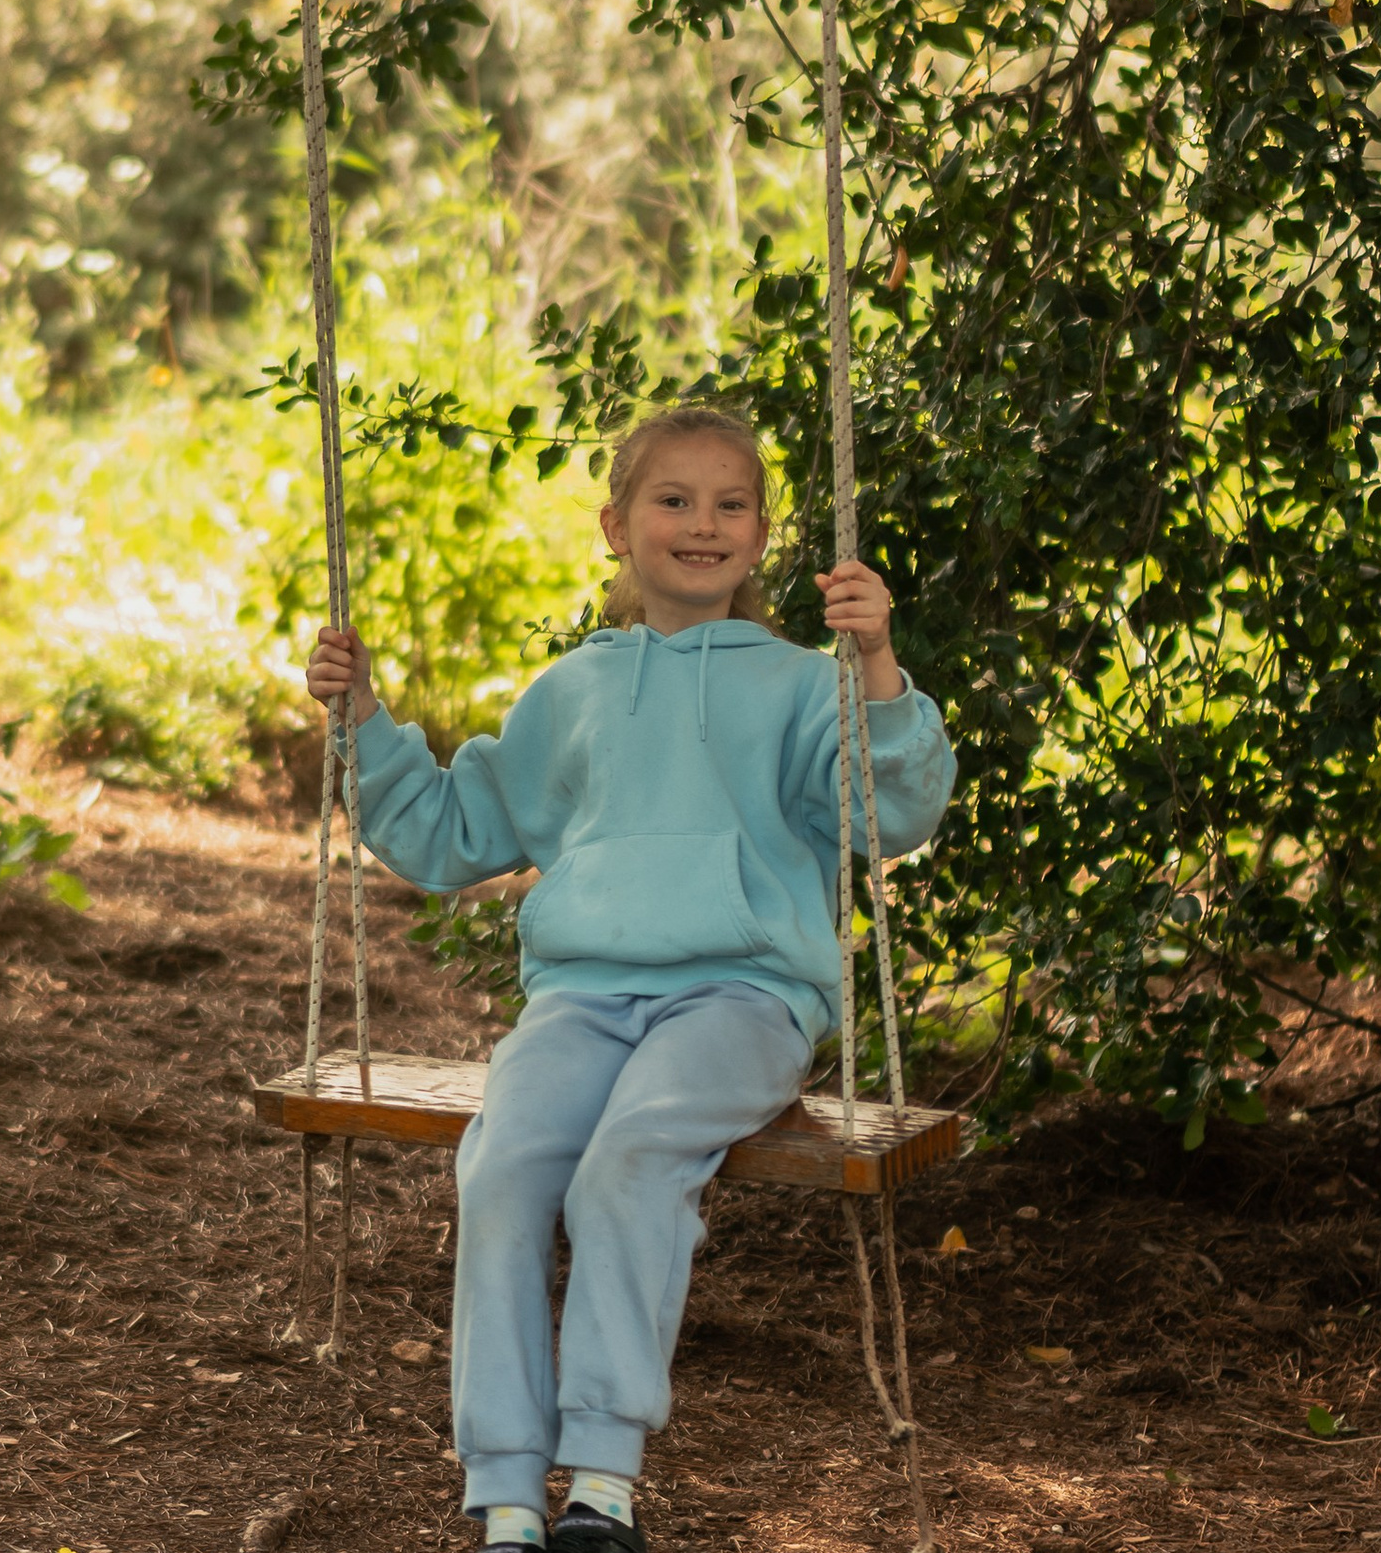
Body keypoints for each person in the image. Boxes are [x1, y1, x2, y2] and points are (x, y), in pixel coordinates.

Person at [304, 404, 956, 1553]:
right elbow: (452, 832)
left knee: (631, 1160)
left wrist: (876, 662)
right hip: (583, 997)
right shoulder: (573, 690)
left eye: (731, 503)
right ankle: (508, 1495)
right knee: (502, 1162)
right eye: (674, 499)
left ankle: (601, 1487)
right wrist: (361, 716)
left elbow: (889, 815)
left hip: (742, 998)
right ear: (616, 526)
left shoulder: (804, 685)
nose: (703, 523)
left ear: (760, 536)